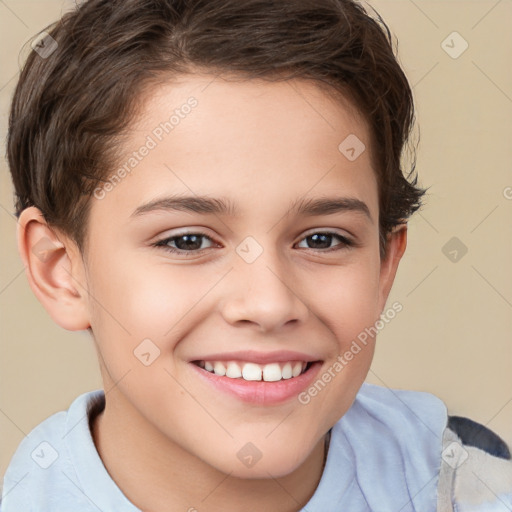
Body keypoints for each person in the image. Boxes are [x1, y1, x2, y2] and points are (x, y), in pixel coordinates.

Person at [2, 0, 511, 510]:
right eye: (188, 241)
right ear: (60, 270)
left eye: (321, 239)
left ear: (384, 265)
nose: (269, 304)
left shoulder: (476, 487)